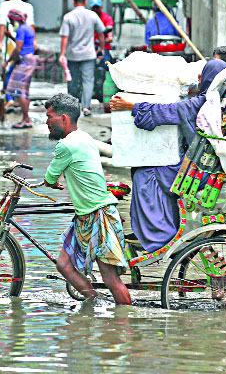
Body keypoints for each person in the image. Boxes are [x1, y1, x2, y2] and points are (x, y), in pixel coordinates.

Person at [109, 59, 226, 252]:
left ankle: (158, 236)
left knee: (144, 173)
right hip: (206, 167)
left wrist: (131, 106)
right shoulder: (218, 101)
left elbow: (167, 111)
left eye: (203, 75)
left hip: (199, 172)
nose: (199, 78)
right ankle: (160, 230)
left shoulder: (204, 103)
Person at [43, 93, 131, 305]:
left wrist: (52, 182)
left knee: (110, 278)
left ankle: (127, 324)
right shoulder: (84, 138)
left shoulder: (65, 146)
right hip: (85, 215)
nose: (46, 122)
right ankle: (94, 303)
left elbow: (49, 177)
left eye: (49, 117)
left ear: (63, 119)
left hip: (99, 216)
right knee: (63, 265)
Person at [0, 0, 35, 111]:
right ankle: (14, 100)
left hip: (12, 46)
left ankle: (10, 99)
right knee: (21, 80)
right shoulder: (28, 8)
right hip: (25, 46)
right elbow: (32, 28)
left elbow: (2, 27)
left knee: (9, 73)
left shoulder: (5, 6)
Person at [59, 0, 105, 117]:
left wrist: (62, 53)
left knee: (72, 81)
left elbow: (65, 37)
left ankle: (72, 107)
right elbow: (101, 33)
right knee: (88, 80)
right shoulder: (92, 16)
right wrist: (102, 48)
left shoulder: (68, 17)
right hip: (88, 54)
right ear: (85, 2)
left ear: (73, 2)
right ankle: (86, 108)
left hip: (72, 54)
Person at [2, 10, 36, 129]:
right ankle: (25, 118)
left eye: (12, 21)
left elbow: (18, 48)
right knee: (24, 90)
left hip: (24, 60)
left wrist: (8, 61)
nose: (11, 24)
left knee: (18, 89)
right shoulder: (28, 28)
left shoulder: (21, 29)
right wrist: (10, 36)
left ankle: (26, 119)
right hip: (30, 59)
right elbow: (21, 43)